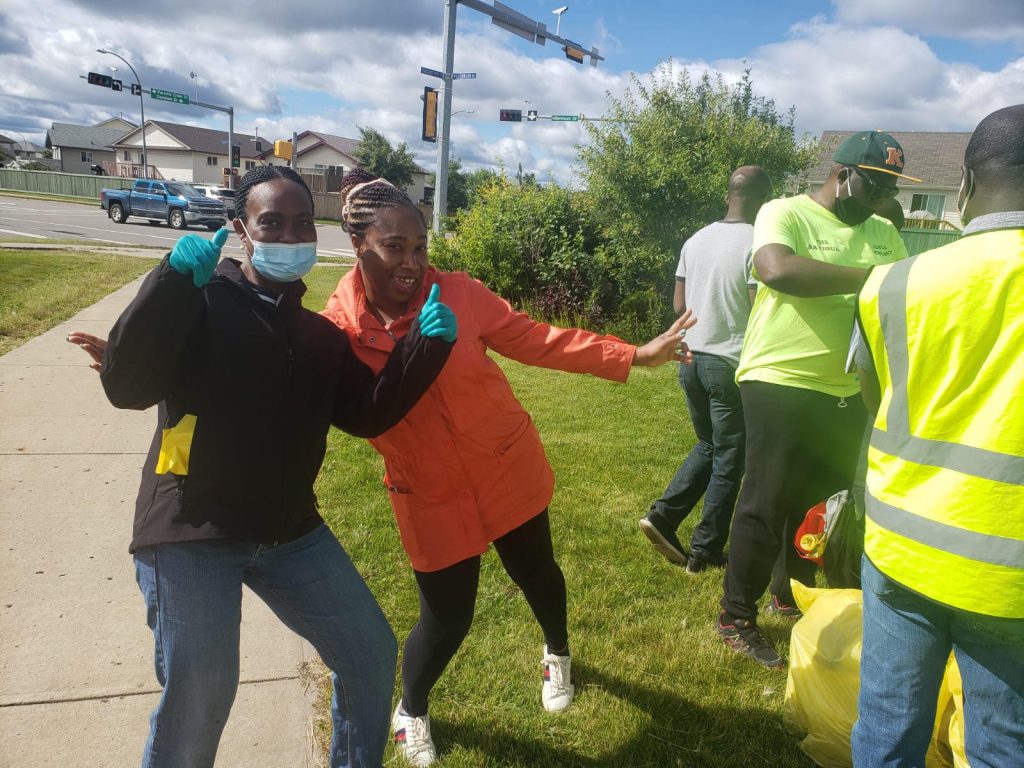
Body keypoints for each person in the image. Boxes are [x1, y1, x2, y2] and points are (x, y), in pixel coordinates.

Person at [67, 165, 456, 768]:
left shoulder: (320, 337)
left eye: (303, 224)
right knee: (203, 691)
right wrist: (172, 281)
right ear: (240, 229)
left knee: (369, 652)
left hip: (287, 531)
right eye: (272, 222)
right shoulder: (200, 301)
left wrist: (423, 348)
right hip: (191, 527)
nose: (290, 235)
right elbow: (127, 386)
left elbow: (366, 413)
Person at [320, 169, 696, 766]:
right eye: (394, 247)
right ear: (357, 244)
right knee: (446, 619)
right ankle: (411, 709)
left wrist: (632, 355)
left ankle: (558, 653)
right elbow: (350, 411)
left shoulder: (459, 294)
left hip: (505, 465)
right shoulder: (339, 330)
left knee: (539, 575)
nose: (412, 263)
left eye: (420, 246)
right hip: (428, 491)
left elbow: (537, 339)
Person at [851, 104, 1024, 767]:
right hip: (1009, 571)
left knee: (886, 726)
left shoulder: (892, 282)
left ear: (966, 184)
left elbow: (877, 395)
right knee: (1002, 745)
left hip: (901, 542)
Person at [715, 131, 915, 669]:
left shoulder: (883, 231)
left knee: (821, 506)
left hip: (845, 387)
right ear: (843, 174)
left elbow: (899, 298)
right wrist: (871, 278)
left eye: (890, 190)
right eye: (874, 186)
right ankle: (736, 616)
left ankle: (792, 593)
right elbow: (776, 269)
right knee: (767, 499)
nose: (882, 200)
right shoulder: (786, 213)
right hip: (779, 377)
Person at [641, 165, 773, 574]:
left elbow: (680, 305)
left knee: (709, 445)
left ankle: (663, 516)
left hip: (690, 358)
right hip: (727, 361)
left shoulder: (696, 239)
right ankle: (705, 550)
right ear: (764, 201)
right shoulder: (759, 243)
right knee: (730, 459)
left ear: (728, 196)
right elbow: (756, 305)